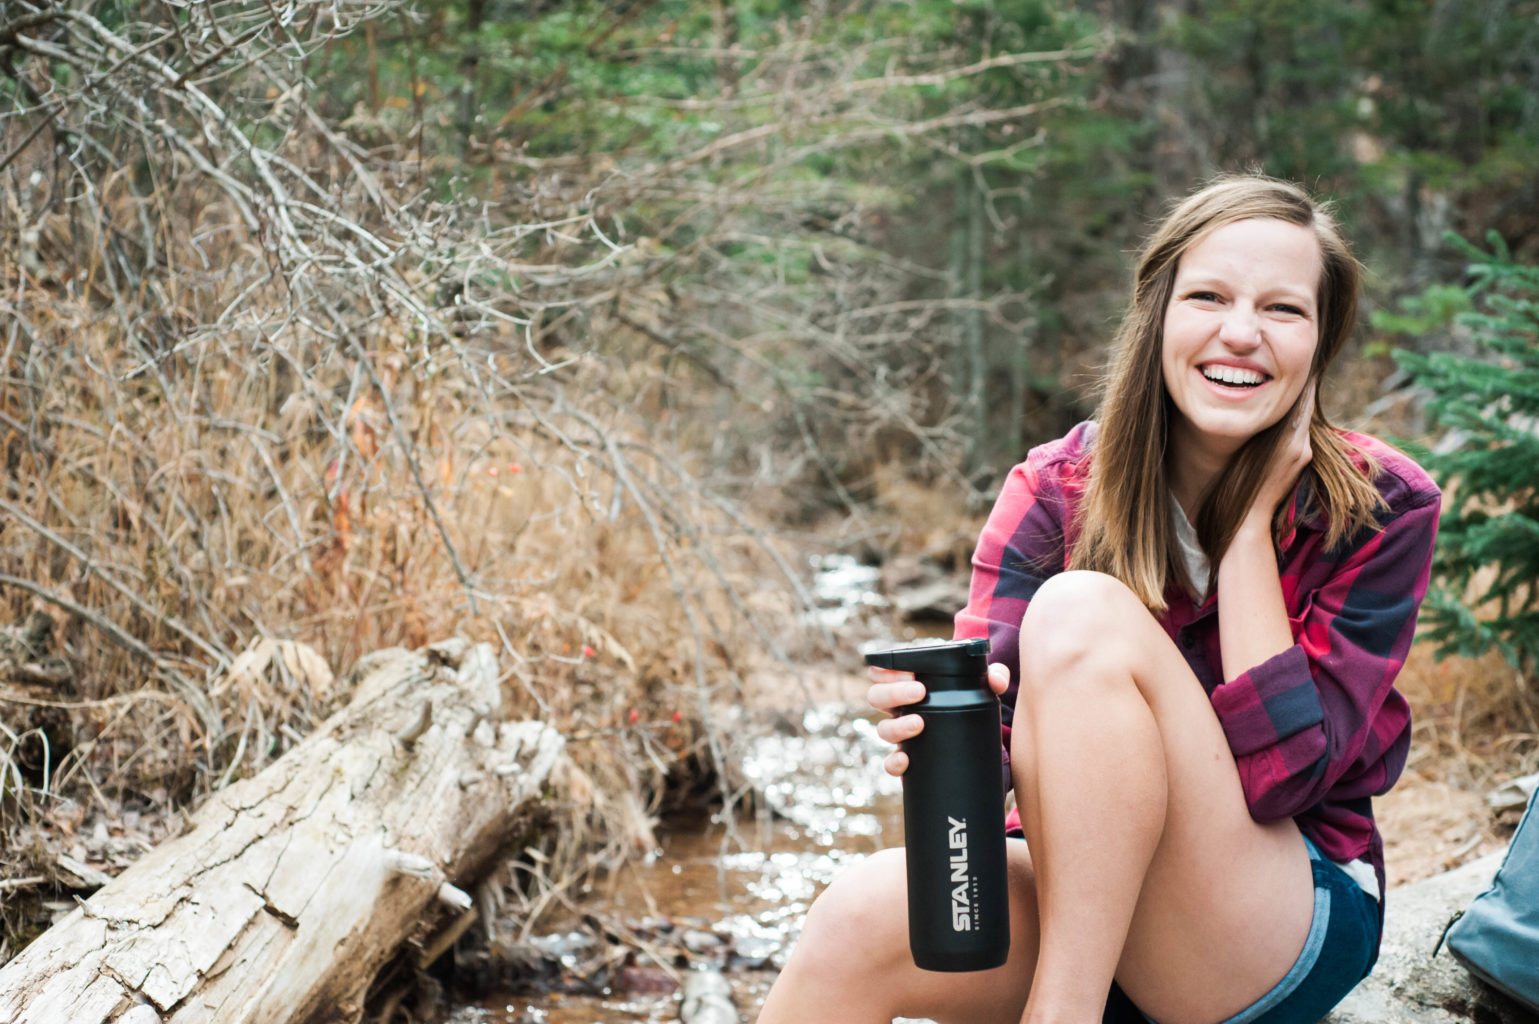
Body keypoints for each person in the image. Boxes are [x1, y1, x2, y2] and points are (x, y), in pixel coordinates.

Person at [756, 174, 1441, 1024]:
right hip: (1087, 896)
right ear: (1156, 313)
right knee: (853, 916)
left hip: (1271, 917)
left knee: (1082, 609)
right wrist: (943, 741)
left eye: (1282, 310)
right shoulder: (1054, 490)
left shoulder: (1380, 505)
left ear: (1319, 342)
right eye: (1208, 297)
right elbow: (997, 754)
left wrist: (1247, 532)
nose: (1239, 333)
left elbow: (1286, 779)